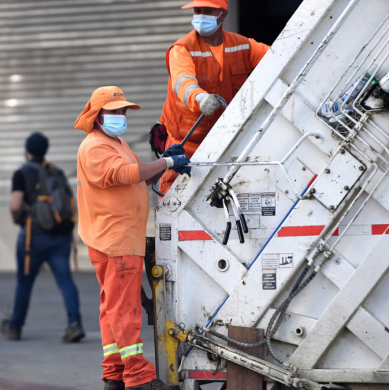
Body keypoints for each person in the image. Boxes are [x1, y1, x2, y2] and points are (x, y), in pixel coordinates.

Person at [75, 86, 191, 390]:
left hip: (120, 238)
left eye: (124, 111)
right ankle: (139, 378)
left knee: (112, 306)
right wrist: (167, 164)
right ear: (98, 115)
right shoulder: (96, 147)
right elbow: (123, 175)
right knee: (123, 308)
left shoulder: (115, 142)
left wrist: (164, 160)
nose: (122, 116)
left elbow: (137, 175)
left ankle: (114, 373)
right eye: (115, 111)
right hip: (114, 240)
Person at [158, 0, 270, 194]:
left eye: (208, 11)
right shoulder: (182, 48)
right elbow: (182, 82)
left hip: (229, 140)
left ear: (223, 14)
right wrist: (200, 98)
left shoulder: (243, 46)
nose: (201, 16)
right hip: (187, 144)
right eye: (197, 11)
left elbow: (280, 60)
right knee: (175, 197)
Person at [0, 132, 85, 343]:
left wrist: (18, 220)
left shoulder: (22, 173)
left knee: (24, 283)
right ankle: (74, 324)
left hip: (33, 237)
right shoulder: (56, 171)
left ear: (27, 150)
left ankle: (15, 327)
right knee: (65, 280)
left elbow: (15, 205)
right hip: (61, 236)